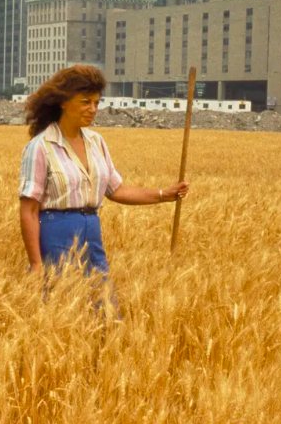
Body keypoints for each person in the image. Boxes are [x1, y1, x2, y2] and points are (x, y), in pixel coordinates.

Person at [18, 66, 189, 303]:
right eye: (86, 101)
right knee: (60, 304)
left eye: (97, 103)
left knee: (104, 305)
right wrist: (36, 263)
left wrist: (164, 194)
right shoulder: (40, 147)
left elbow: (116, 190)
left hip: (92, 230)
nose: (93, 109)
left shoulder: (96, 142)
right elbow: (29, 209)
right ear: (64, 102)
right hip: (56, 231)